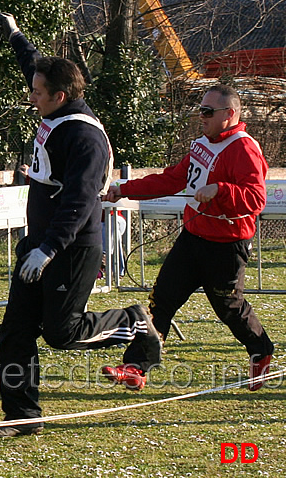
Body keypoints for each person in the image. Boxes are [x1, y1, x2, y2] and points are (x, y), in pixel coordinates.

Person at [0, 13, 163, 438]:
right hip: (39, 243)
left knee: (62, 334)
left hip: (71, 246)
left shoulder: (85, 138)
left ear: (60, 96)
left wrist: (50, 249)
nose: (32, 98)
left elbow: (81, 202)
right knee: (16, 332)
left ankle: (135, 321)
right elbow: (35, 65)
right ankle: (22, 417)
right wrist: (14, 33)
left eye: (38, 94)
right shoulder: (56, 102)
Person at [102, 84, 274, 392]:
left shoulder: (244, 149)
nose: (202, 117)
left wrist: (220, 190)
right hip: (192, 237)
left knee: (229, 309)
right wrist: (124, 189)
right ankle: (135, 367)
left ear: (229, 115)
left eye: (208, 112)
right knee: (161, 300)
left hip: (226, 245)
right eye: (201, 111)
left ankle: (262, 350)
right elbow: (173, 179)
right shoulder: (201, 145)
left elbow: (256, 199)